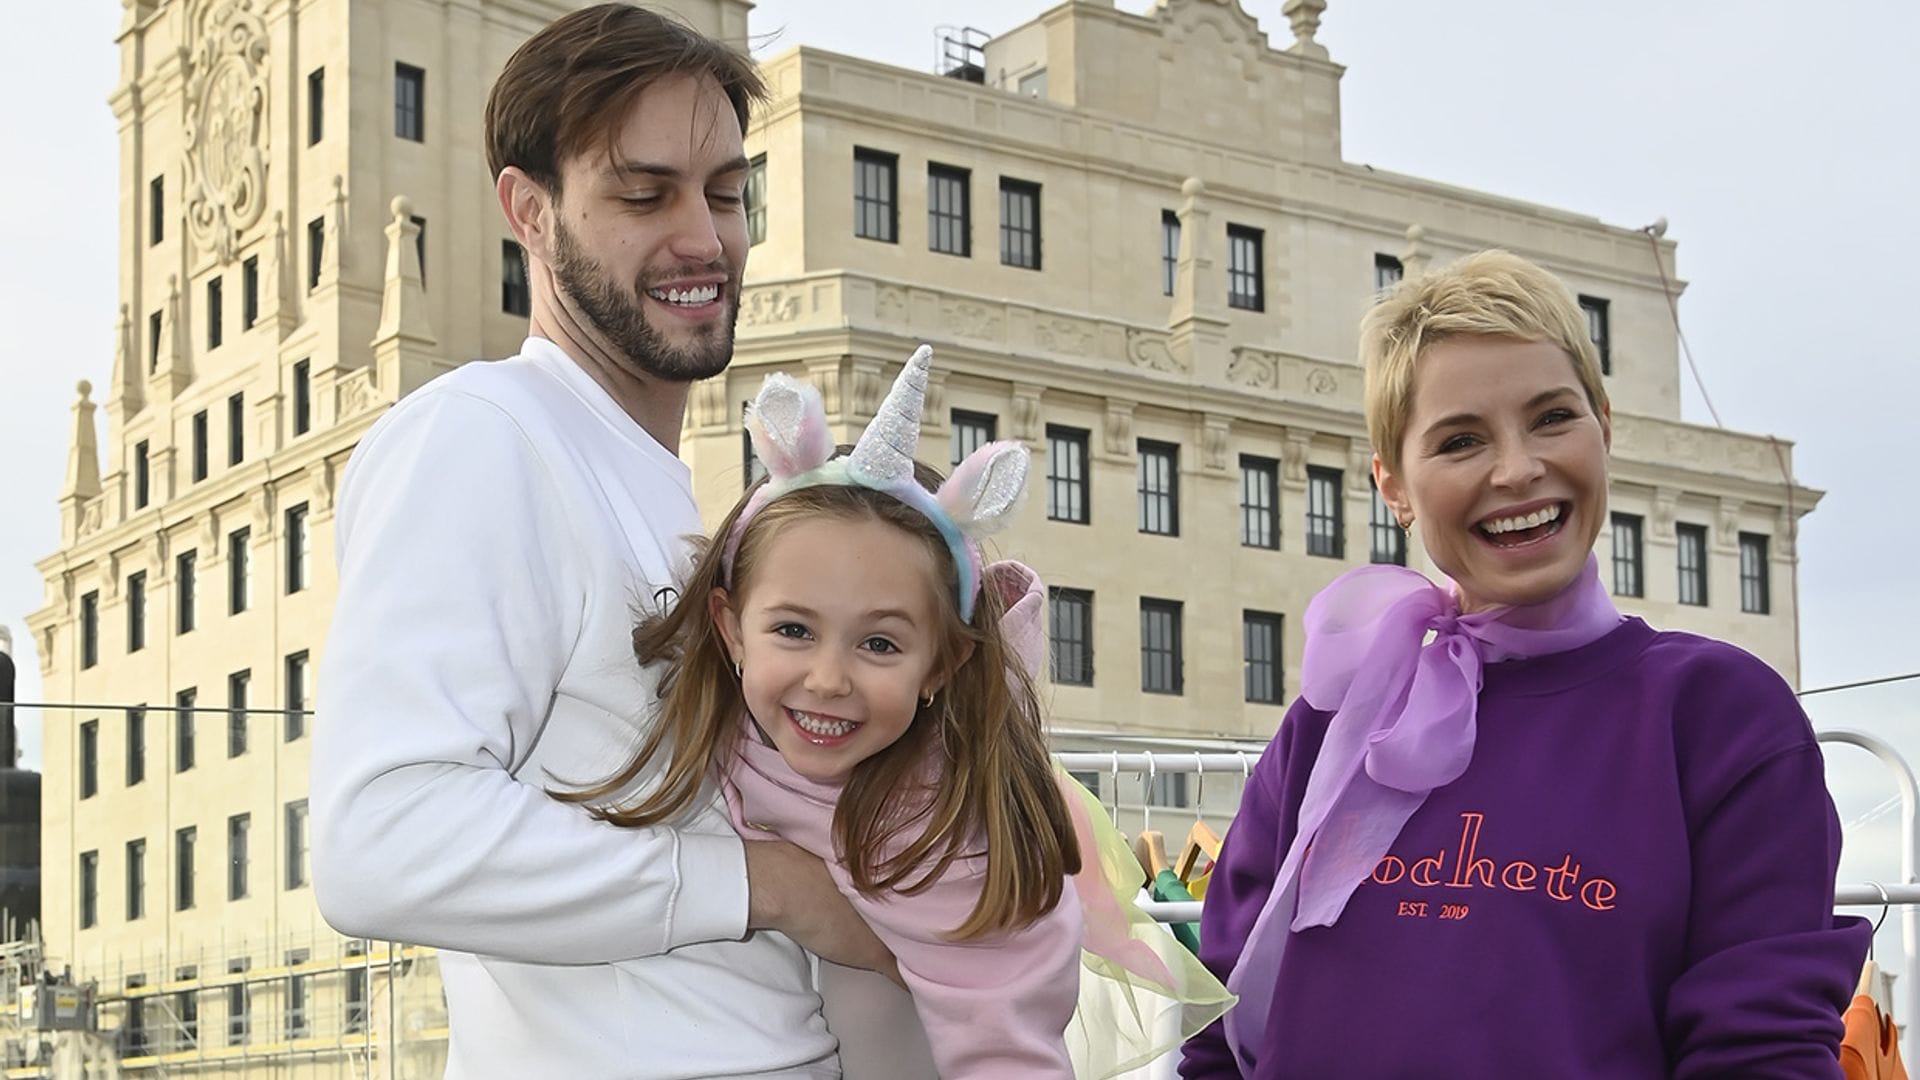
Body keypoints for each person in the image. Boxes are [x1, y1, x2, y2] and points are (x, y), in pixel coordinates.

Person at [311, 6, 892, 1077]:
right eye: (643, 193)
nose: (704, 237)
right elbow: (378, 843)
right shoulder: (484, 435)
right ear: (528, 211)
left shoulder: (652, 483)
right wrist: (776, 891)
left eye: (726, 193)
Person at [1181, 250, 1870, 1079]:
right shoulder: (1332, 722)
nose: (1516, 470)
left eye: (1551, 417)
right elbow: (1219, 1028)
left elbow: (1761, 1052)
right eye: (1461, 439)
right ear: (1392, 485)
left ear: (1604, 427)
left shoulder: (1718, 718)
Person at [556, 344, 1231, 1079]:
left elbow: (1006, 1047)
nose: (826, 679)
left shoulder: (952, 843)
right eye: (793, 630)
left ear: (940, 664)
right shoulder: (705, 719)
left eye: (878, 643)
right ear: (729, 628)